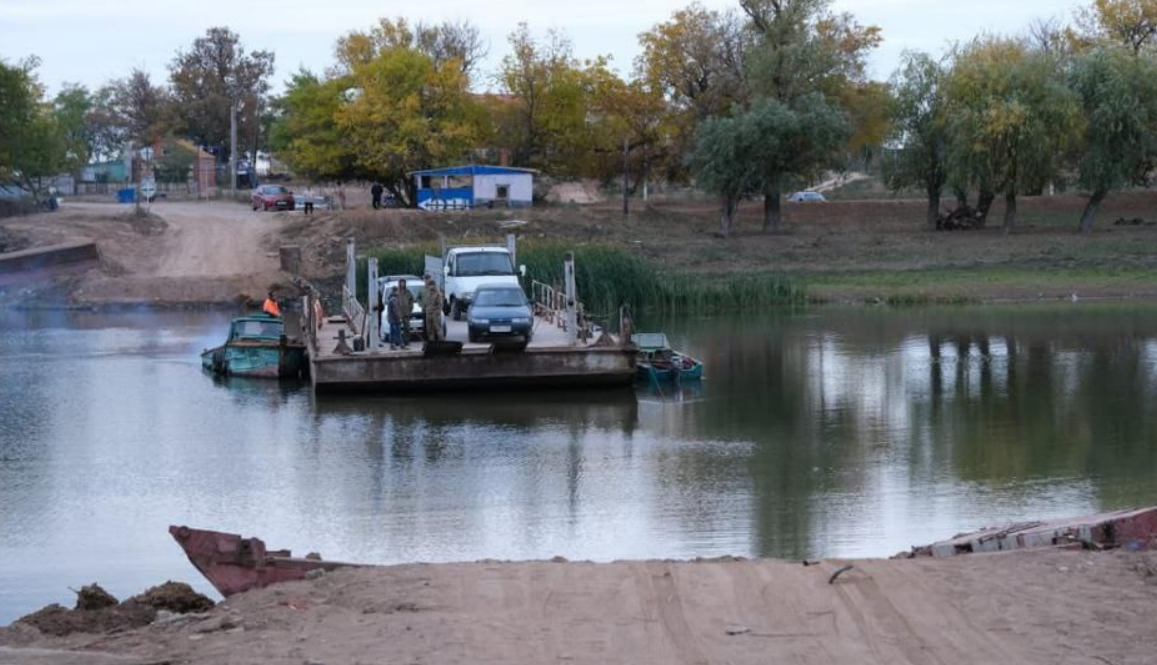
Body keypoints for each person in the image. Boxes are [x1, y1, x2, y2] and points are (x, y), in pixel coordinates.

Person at [421, 274, 445, 342]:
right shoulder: (427, 292)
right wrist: (424, 308)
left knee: (438, 329)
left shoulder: (438, 293)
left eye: (432, 285)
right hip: (428, 313)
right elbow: (425, 302)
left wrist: (437, 312)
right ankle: (432, 343)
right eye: (430, 285)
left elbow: (440, 305)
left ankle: (442, 343)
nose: (431, 286)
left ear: (434, 285)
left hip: (435, 314)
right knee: (430, 330)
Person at [395, 278, 414, 348]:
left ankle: (407, 341)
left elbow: (412, 300)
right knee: (398, 328)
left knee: (407, 328)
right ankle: (398, 342)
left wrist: (410, 309)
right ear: (399, 283)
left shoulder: (408, 292)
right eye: (401, 283)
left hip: (406, 313)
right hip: (399, 313)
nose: (402, 284)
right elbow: (394, 301)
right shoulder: (397, 292)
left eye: (403, 283)